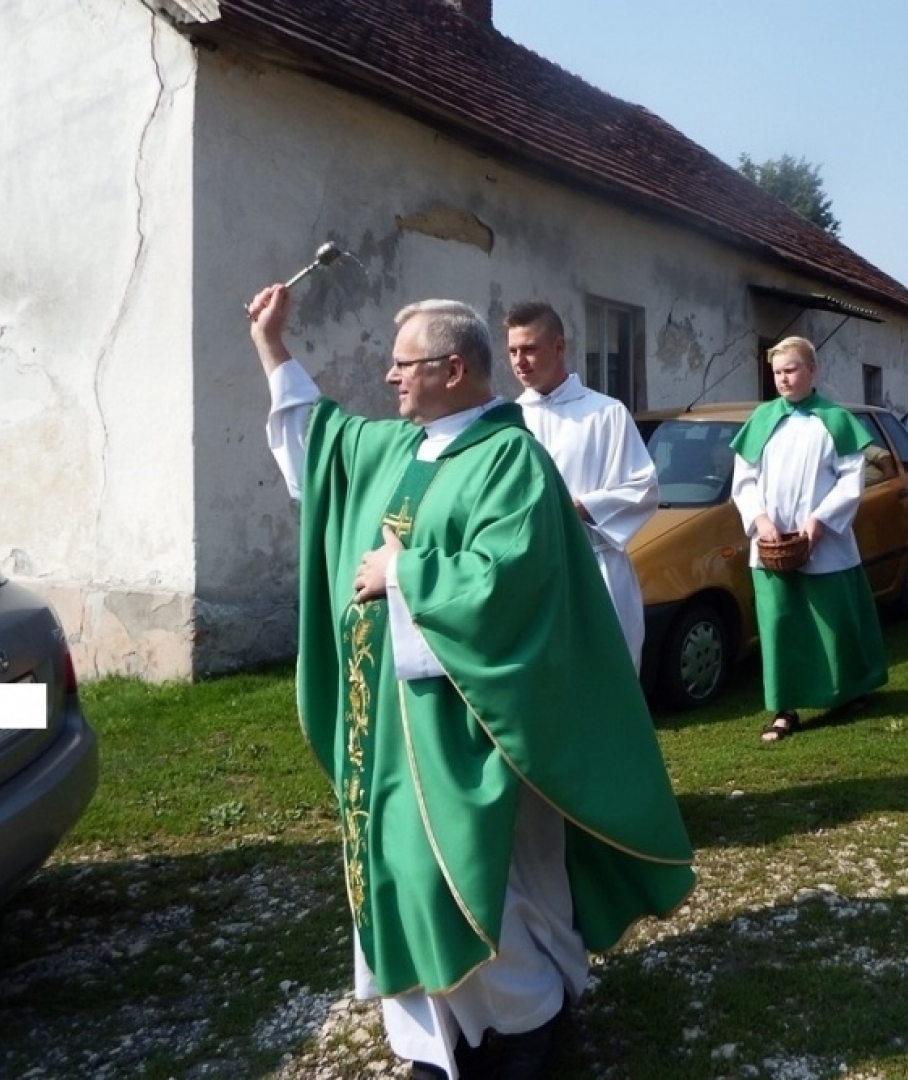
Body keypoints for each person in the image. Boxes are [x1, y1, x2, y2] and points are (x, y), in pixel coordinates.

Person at [246, 284, 696, 1080]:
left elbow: (507, 580)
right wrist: (272, 346)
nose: (388, 377)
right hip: (393, 720)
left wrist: (403, 571)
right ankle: (441, 1038)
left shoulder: (509, 459)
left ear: (451, 369)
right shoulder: (399, 447)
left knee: (477, 875)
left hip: (475, 721)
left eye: (402, 364)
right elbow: (320, 440)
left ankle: (524, 1024)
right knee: (402, 867)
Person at [729, 336, 889, 743]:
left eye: (791, 370)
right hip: (772, 543)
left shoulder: (835, 419)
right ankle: (784, 708)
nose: (783, 379)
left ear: (812, 370)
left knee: (834, 621)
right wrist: (759, 519)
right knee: (780, 624)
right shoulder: (762, 419)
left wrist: (820, 521)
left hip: (825, 541)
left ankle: (848, 690)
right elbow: (744, 479)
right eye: (777, 372)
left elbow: (851, 480)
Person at [505, 300, 658, 671]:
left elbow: (643, 488)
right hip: (531, 574)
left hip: (596, 568)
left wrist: (578, 507)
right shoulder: (509, 420)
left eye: (529, 349)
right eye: (512, 351)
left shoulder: (605, 412)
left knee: (606, 677)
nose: (520, 361)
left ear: (559, 347)